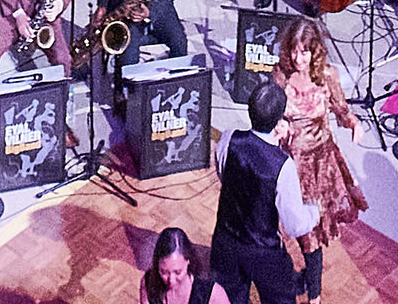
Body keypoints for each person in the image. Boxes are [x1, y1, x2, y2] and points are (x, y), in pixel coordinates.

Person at [274, 18, 368, 304]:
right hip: (289, 164)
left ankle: (314, 297)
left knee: (311, 239)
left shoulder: (327, 75)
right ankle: (287, 279)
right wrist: (279, 125)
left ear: (315, 51)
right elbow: (274, 112)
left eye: (304, 52)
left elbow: (342, 110)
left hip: (319, 168)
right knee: (275, 230)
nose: (298, 58)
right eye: (294, 51)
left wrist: (354, 124)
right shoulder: (280, 74)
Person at [212, 82, 318, 304]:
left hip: (225, 242)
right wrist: (314, 211)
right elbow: (295, 225)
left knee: (230, 299)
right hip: (263, 253)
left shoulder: (229, 138)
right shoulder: (283, 166)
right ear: (279, 121)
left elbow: (223, 173)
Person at [145, 225, 232, 304]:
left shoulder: (213, 295)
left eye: (178, 272)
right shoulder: (148, 283)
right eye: (164, 272)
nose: (171, 280)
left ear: (188, 261)